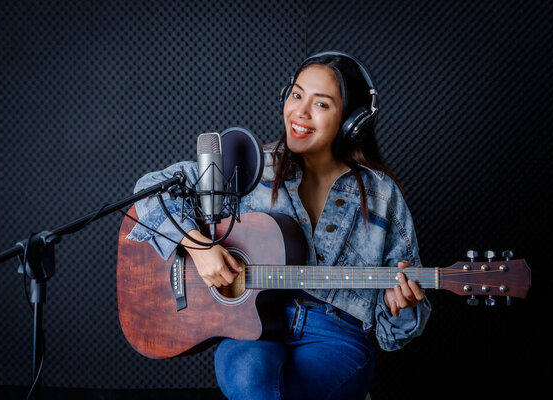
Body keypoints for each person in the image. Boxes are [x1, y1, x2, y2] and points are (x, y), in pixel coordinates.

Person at [129, 51, 432, 400]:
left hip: (334, 335)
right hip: (250, 328)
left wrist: (402, 307)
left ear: (352, 121)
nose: (300, 112)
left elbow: (394, 334)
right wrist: (199, 247)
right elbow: (149, 191)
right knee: (250, 379)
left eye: (321, 104)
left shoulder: (381, 194)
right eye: (297, 94)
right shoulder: (249, 165)